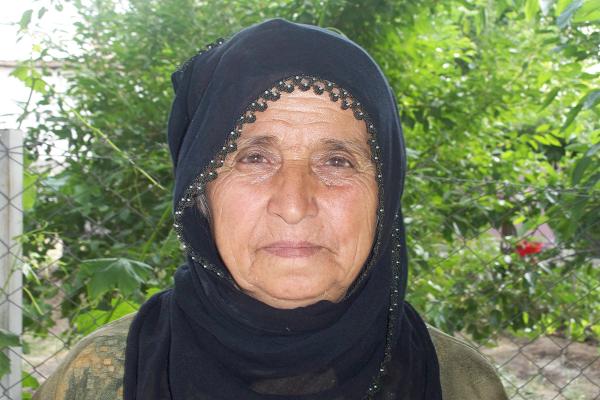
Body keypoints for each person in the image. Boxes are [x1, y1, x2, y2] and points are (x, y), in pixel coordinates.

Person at [33, 18, 508, 400]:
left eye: (337, 161)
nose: (294, 205)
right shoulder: (97, 381)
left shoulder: (461, 384)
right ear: (200, 194)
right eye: (254, 158)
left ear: (385, 196)